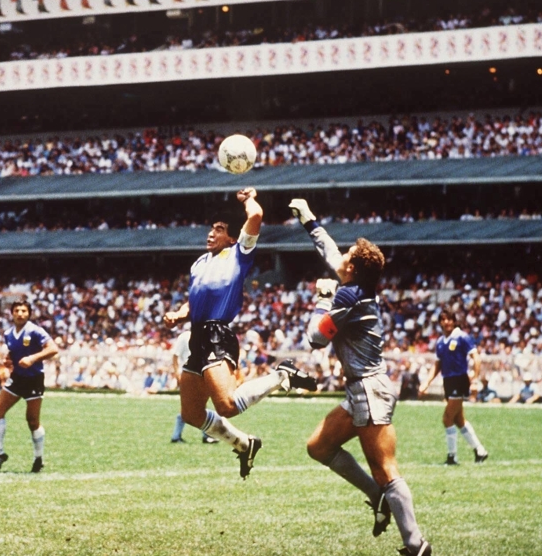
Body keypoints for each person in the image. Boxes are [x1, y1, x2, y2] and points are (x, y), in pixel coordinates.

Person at [289, 198, 432, 556]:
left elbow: (315, 338)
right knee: (318, 446)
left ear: (351, 269)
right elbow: (332, 252)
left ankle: (416, 544)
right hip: (363, 390)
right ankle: (377, 499)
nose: (342, 259)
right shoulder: (356, 288)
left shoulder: (349, 297)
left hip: (369, 390)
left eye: (347, 257)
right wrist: (309, 220)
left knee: (385, 469)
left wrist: (323, 298)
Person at [163, 187, 317, 479]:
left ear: (231, 237)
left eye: (219, 230)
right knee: (192, 415)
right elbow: (194, 299)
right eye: (211, 229)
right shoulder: (199, 263)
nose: (211, 234)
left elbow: (256, 215)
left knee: (228, 405)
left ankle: (280, 376)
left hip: (217, 334)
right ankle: (245, 444)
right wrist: (180, 314)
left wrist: (248, 200)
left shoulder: (239, 253)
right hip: (197, 335)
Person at [0, 299, 60, 473]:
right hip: (17, 378)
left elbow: (53, 349)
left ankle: (38, 458)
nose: (20, 314)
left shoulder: (36, 331)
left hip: (34, 379)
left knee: (32, 421)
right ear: (12, 313)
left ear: (28, 314)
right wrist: (8, 361)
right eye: (17, 311)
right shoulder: (8, 334)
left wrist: (32, 358)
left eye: (23, 311)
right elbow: (13, 353)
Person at [419, 310, 489, 465]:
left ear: (454, 321)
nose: (446, 322)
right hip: (448, 381)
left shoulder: (462, 337)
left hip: (459, 380)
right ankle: (480, 451)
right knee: (459, 419)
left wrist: (475, 380)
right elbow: (437, 365)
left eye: (449, 319)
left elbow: (476, 358)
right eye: (443, 320)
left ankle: (452, 456)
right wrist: (426, 382)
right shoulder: (440, 342)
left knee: (447, 418)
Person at [168, 329, 218, 444]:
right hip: (189, 374)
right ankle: (178, 436)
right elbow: (175, 356)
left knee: (199, 406)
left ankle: (179, 436)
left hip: (201, 374)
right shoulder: (185, 336)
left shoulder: (206, 337)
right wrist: (177, 375)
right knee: (189, 407)